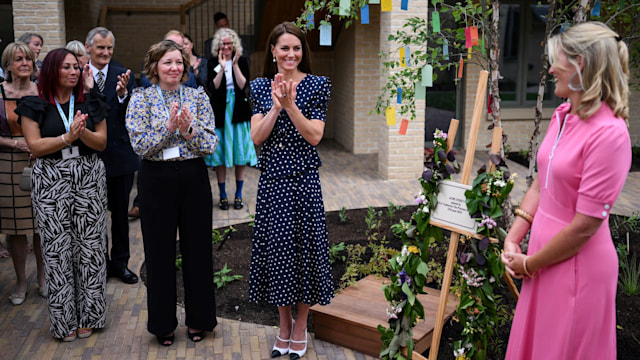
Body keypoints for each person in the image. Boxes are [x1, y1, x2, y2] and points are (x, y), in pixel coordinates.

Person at [501, 21, 631, 359]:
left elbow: (585, 225)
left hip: (576, 266)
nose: (551, 67)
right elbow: (543, 183)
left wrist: (530, 264)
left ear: (581, 65)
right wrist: (514, 238)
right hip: (542, 258)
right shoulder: (562, 115)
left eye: (557, 59)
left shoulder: (610, 134)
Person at [249, 22, 334, 359]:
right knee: (279, 252)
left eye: (296, 48)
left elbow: (314, 135)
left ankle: (301, 327)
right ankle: (283, 327)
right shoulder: (259, 86)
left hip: (303, 181)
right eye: (284, 48)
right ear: (272, 51)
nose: (290, 54)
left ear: (303, 52)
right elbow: (257, 138)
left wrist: (291, 106)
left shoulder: (317, 85)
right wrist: (274, 105)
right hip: (273, 182)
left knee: (305, 252)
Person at [126, 40, 218, 346]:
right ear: (154, 67)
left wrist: (188, 130)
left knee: (198, 251)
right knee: (159, 252)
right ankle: (163, 323)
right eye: (167, 63)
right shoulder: (140, 99)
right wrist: (169, 128)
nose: (174, 68)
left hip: (193, 177)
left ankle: (199, 319)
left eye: (179, 62)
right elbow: (140, 146)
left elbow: (209, 145)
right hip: (156, 180)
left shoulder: (197, 96)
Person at [16, 48, 109, 341]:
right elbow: (35, 147)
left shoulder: (91, 101)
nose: (73, 71)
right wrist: (66, 137)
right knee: (57, 250)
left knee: (90, 247)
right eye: (66, 67)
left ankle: (91, 315)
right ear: (51, 71)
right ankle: (64, 320)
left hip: (88, 175)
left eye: (76, 67)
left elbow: (102, 143)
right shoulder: (33, 104)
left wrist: (81, 135)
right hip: (51, 178)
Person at [85, 27, 139, 284]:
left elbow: (133, 115)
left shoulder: (123, 75)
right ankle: (100, 264)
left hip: (119, 157)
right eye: (100, 48)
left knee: (119, 215)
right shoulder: (79, 75)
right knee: (95, 216)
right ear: (88, 49)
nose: (105, 52)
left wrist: (122, 95)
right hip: (89, 158)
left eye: (109, 48)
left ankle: (120, 264)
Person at [0, 42, 45, 304]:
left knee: (41, 226)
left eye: (28, 59)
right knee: (15, 229)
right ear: (8, 65)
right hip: (8, 165)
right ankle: (19, 281)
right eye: (18, 59)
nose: (25, 63)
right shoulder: (0, 93)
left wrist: (41, 146)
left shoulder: (43, 92)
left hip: (41, 162)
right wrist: (15, 143)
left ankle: (42, 278)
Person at [205, 28, 257, 210]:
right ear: (218, 45)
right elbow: (212, 87)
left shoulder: (241, 61)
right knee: (220, 154)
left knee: (239, 153)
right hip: (220, 112)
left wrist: (233, 65)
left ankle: (238, 194)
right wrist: (221, 67)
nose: (226, 47)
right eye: (223, 44)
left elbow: (244, 86)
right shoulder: (212, 62)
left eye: (229, 43)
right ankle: (223, 195)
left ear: (234, 45)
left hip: (239, 111)